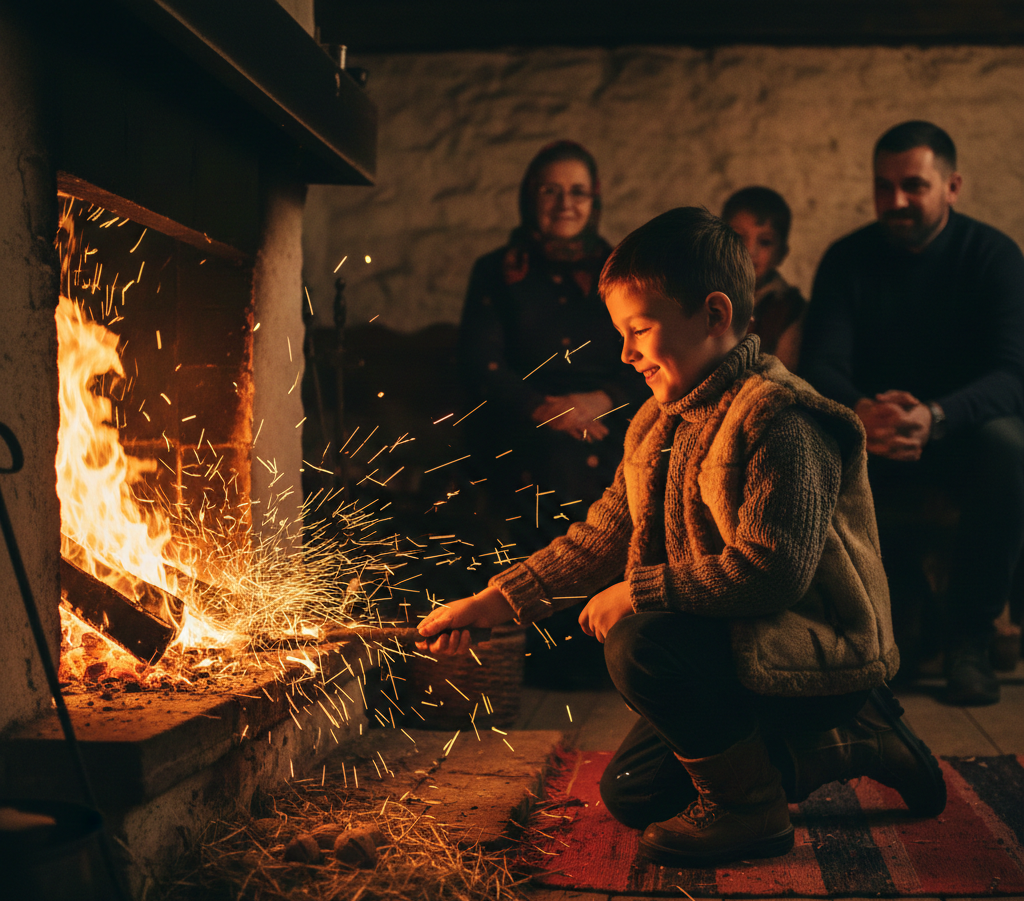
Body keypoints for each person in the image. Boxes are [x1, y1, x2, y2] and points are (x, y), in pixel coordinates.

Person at [421, 207, 945, 867]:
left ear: (714, 315)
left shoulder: (781, 418)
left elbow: (774, 571)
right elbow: (599, 538)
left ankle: (752, 804)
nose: (625, 353)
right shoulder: (656, 421)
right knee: (636, 793)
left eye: (639, 329)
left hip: (811, 647)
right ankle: (857, 739)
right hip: (736, 642)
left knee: (639, 640)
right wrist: (491, 602)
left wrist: (637, 593)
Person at [799, 120, 1024, 706]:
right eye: (884, 186)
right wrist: (860, 412)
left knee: (1009, 445)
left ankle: (969, 640)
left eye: (913, 186)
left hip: (961, 435)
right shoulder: (848, 259)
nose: (895, 201)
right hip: (872, 434)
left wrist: (936, 414)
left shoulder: (994, 256)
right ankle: (891, 623)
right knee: (808, 439)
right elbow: (822, 362)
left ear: (951, 186)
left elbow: (1013, 373)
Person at [457, 140, 646, 685]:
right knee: (551, 467)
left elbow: (642, 353)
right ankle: (548, 661)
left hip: (607, 418)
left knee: (622, 477)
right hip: (523, 422)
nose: (566, 203)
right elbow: (480, 361)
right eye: (551, 191)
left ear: (595, 200)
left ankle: (602, 654)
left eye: (578, 192)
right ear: (528, 197)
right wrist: (543, 408)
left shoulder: (619, 270)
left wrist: (602, 401)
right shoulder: (497, 272)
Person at [722, 186, 806, 370]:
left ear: (781, 254)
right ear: (718, 240)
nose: (750, 251)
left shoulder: (788, 308)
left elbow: (783, 376)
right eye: (738, 237)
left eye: (765, 242)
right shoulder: (700, 291)